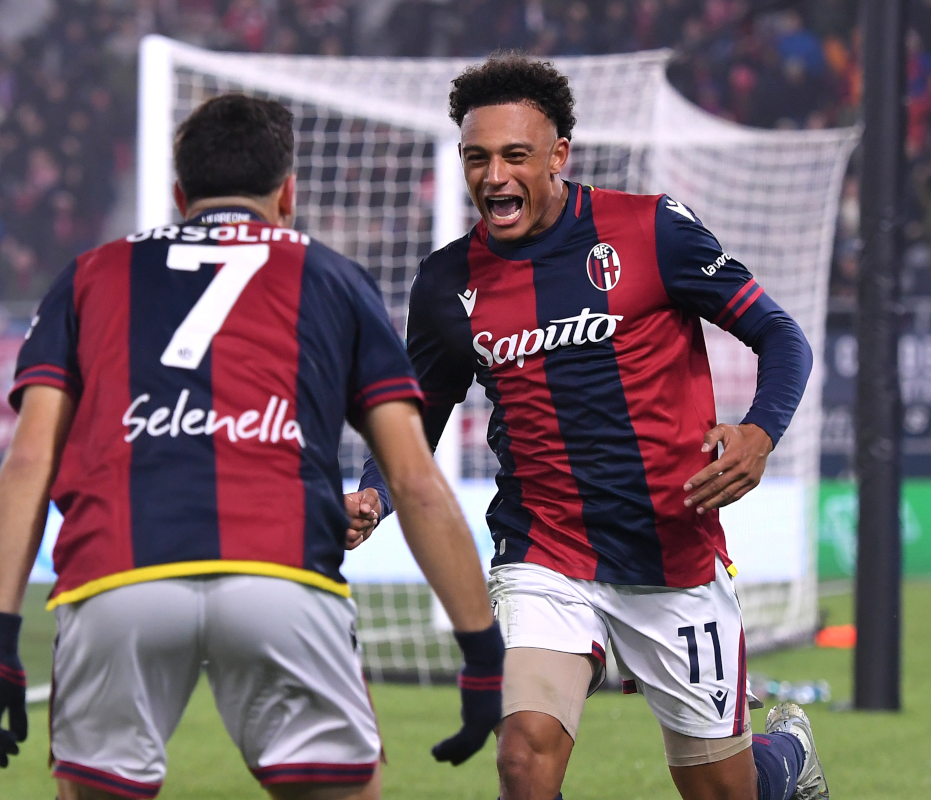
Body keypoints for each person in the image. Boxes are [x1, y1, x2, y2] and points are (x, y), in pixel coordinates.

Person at [0, 94, 504, 800]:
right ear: (287, 194)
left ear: (179, 195)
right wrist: (481, 651)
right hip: (279, 574)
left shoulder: (91, 274)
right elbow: (414, 478)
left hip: (119, 574)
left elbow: (30, 461)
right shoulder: (334, 277)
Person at [351, 54, 828, 800]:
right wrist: (376, 492)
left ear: (558, 156)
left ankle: (785, 763)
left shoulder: (650, 230)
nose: (494, 176)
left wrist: (761, 432)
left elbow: (781, 334)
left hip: (673, 546)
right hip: (545, 550)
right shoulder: (446, 283)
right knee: (523, 758)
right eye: (477, 158)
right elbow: (420, 408)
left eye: (515, 156)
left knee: (723, 792)